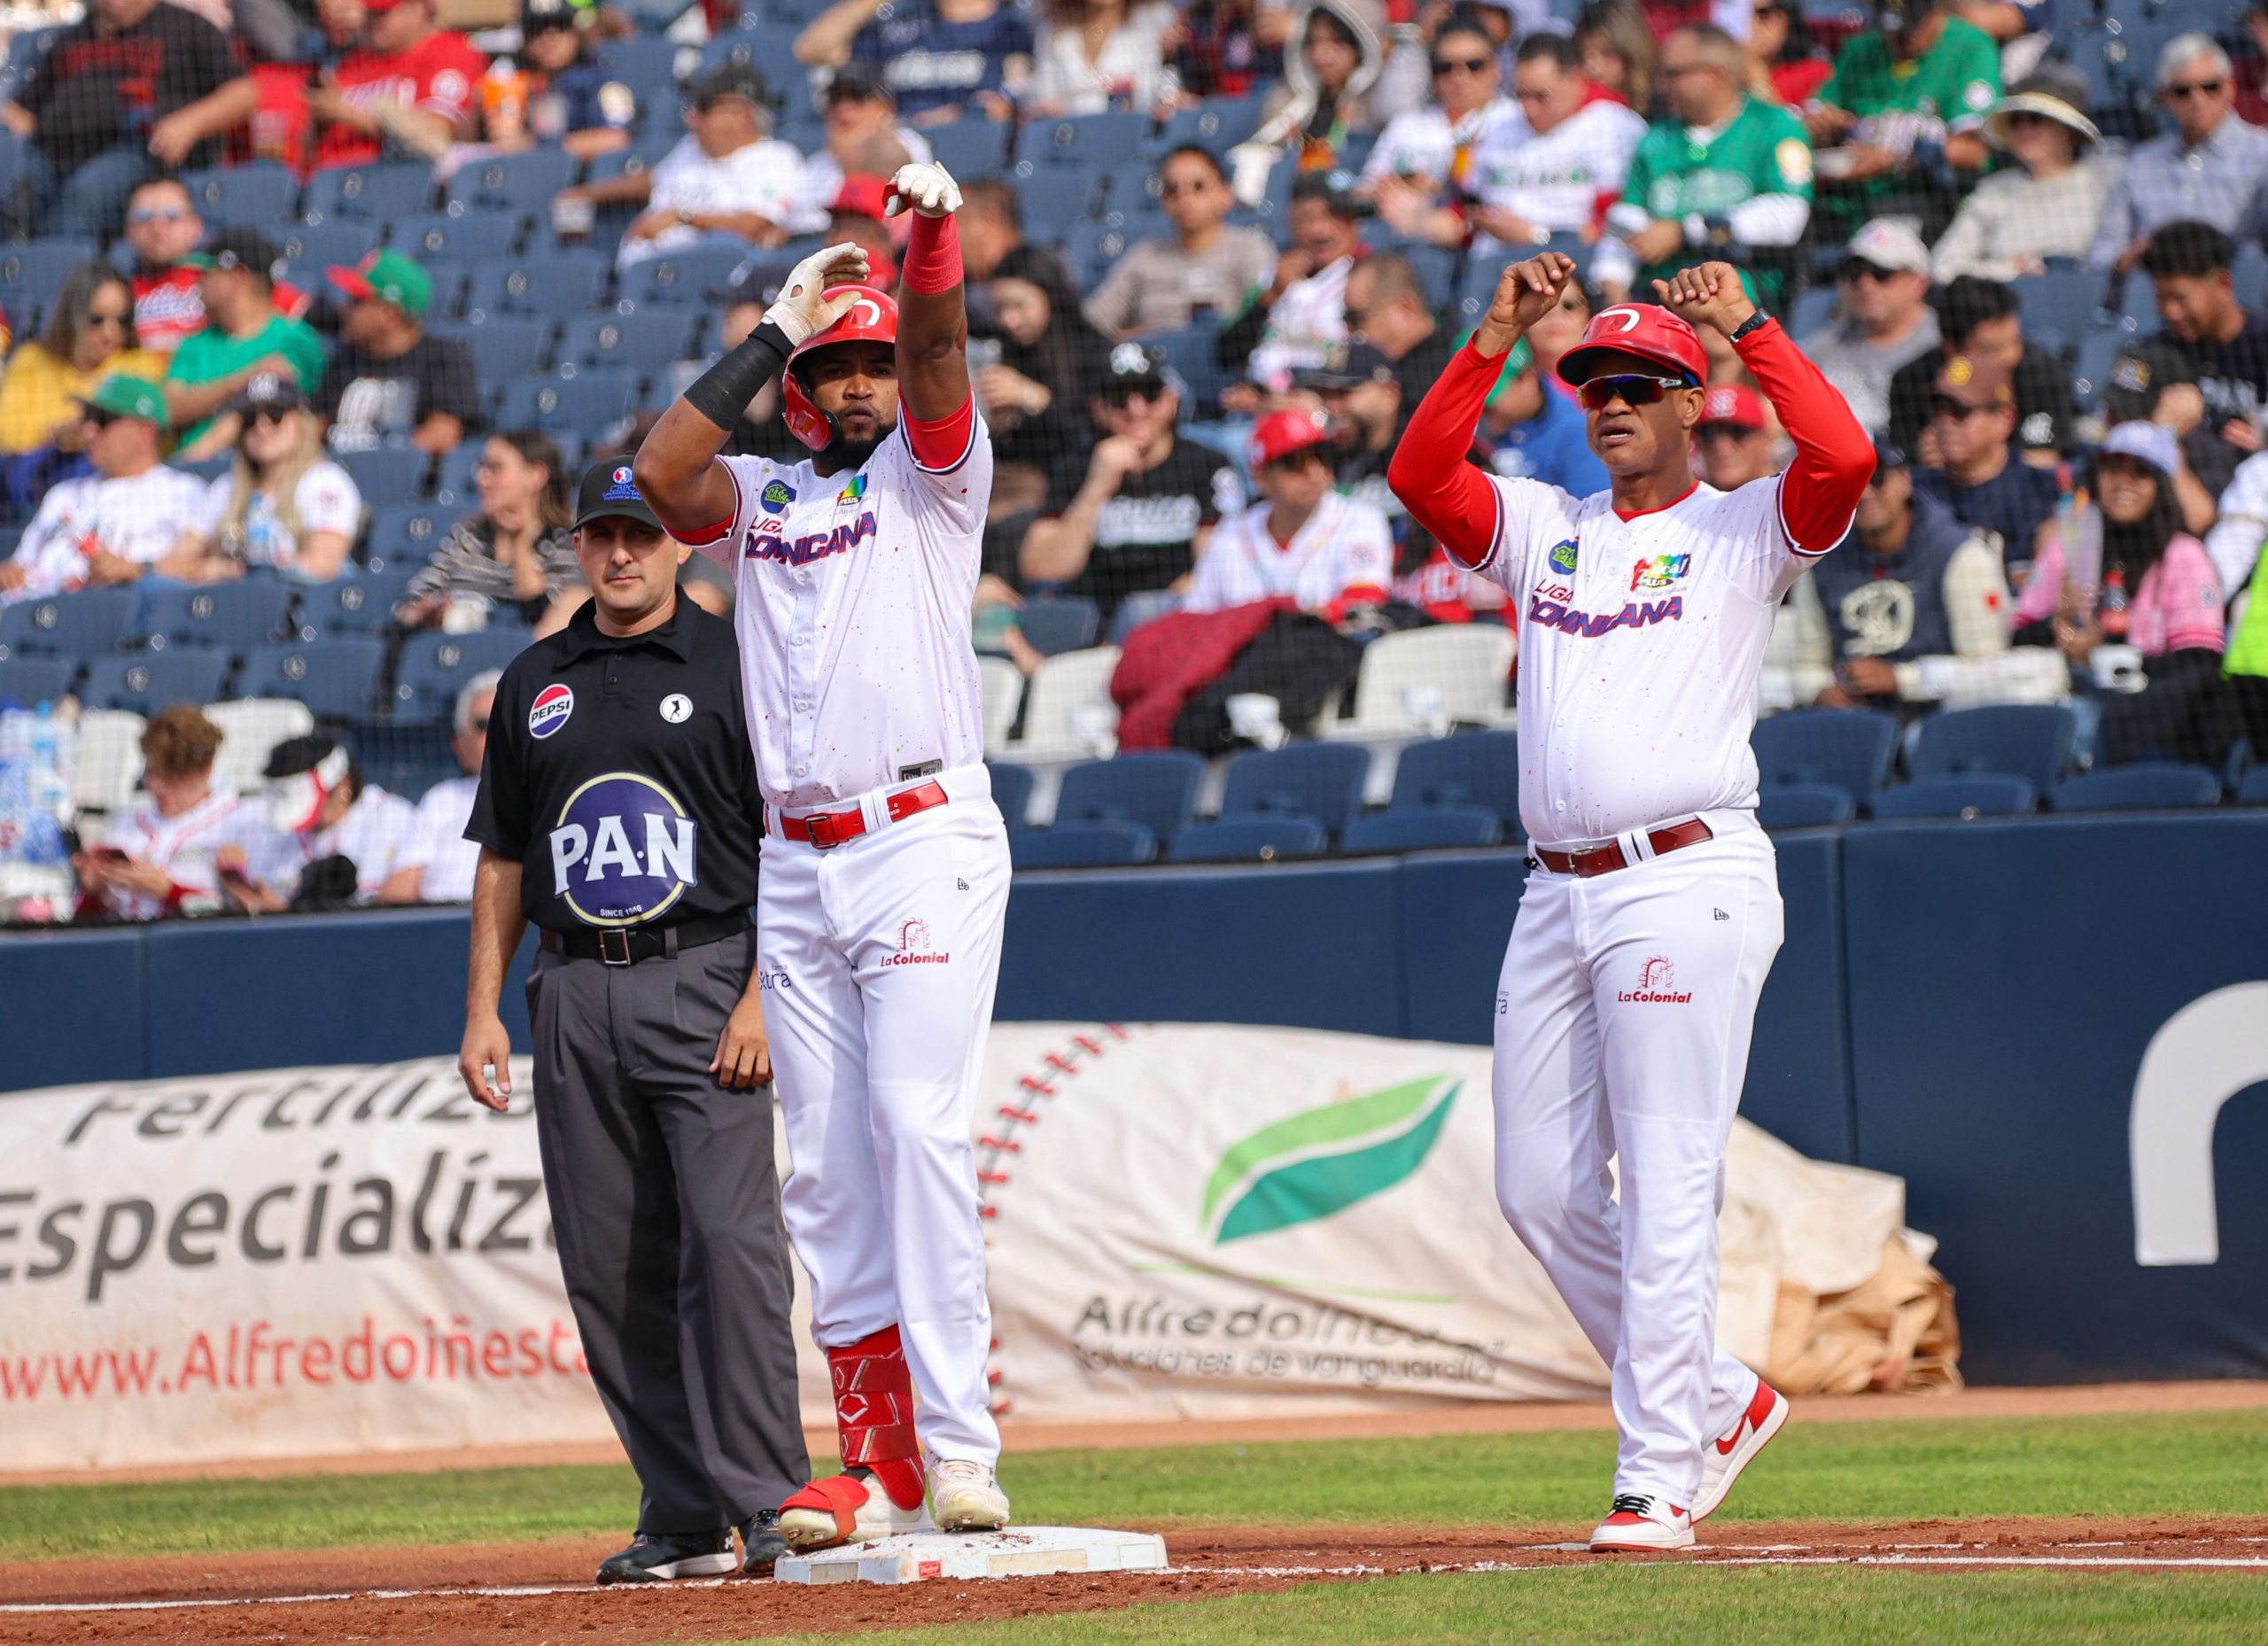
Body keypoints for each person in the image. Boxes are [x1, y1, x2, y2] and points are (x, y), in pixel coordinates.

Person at [1390, 253, 1870, 1555]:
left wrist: (1750, 328)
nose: (1610, 402)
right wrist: (1493, 333)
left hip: (1685, 872)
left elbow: (1843, 457)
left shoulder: (1741, 526)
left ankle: (1657, 1470)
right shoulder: (1547, 524)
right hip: (1556, 889)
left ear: (1688, 404)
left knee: (1667, 1181)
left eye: (1640, 384)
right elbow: (1422, 476)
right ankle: (1713, 1397)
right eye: (1595, 383)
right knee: (1538, 1187)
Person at [634, 168, 1017, 1544]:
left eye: (870, 366)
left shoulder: (932, 476)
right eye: (834, 369)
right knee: (824, 1174)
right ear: (802, 388)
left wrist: (931, 246)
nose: (859, 385)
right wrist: (775, 327)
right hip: (797, 859)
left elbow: (942, 355)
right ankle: (879, 1462)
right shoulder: (761, 496)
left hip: (919, 833)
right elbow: (657, 475)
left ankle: (961, 1446)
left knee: (917, 1128)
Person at [456, 459, 808, 1584]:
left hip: (704, 975)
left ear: (681, 542)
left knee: (731, 1246)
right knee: (607, 1262)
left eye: (642, 534)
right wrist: (483, 1009)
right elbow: (503, 857)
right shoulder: (535, 679)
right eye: (603, 535)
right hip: (570, 987)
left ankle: (770, 1498)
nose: (621, 553)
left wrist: (761, 993)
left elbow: (788, 843)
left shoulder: (736, 660)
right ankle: (684, 1508)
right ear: (577, 544)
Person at [2016, 422, 2234, 766]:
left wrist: (2104, 657)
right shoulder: (2070, 545)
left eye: (2140, 472)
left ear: (2161, 485)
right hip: (2064, 700)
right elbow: (2017, 633)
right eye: (2114, 469)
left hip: (2149, 720)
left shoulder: (2183, 555)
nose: (2123, 482)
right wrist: (2057, 625)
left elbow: (2199, 664)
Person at [1800, 435, 2054, 711]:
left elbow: (1988, 669)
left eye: (1876, 478)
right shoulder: (1819, 560)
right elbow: (1805, 666)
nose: (1864, 493)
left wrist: (1902, 680)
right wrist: (1820, 689)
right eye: (1850, 482)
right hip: (1852, 718)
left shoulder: (1961, 553)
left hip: (1941, 715)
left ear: (1904, 480)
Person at [1020, 342, 1242, 618]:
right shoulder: (1075, 469)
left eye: (1149, 394)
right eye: (1120, 397)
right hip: (1101, 624)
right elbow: (1042, 568)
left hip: (1182, 615)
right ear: (1098, 409)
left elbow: (1222, 565)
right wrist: (1096, 487)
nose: (1136, 410)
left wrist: (1190, 591)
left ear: (1170, 401)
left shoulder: (1207, 465)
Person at [1, 0, 255, 240]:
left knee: (82, 199)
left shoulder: (186, 27)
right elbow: (20, 110)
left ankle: (61, 268)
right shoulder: (72, 37)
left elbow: (244, 94)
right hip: (51, 153)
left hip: (139, 151)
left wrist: (190, 123)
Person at [1599, 25, 1812, 308]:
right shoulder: (1655, 139)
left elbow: (1788, 216)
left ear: (1714, 75)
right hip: (1659, 294)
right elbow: (1626, 218)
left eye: (1673, 74)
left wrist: (1685, 232)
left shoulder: (1775, 125)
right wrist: (1611, 279)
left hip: (1744, 291)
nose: (1661, 85)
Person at [561, 63, 807, 271]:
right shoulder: (691, 147)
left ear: (743, 114)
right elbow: (654, 179)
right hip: (642, 278)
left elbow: (754, 225)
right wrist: (587, 193)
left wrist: (682, 216)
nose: (691, 118)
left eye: (704, 107)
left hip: (705, 279)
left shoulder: (775, 158)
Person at [0, 378, 210, 603]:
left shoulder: (182, 490)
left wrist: (137, 569)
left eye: (102, 420)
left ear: (146, 432)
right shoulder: (61, 494)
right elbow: (19, 565)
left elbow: (198, 566)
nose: (89, 431)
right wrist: (9, 574)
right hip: (35, 610)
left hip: (118, 611)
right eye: (87, 418)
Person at [74, 705, 280, 922]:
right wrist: (93, 892)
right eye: (153, 773)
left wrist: (169, 891)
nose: (159, 786)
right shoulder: (126, 824)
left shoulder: (245, 820)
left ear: (206, 770)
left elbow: (266, 914)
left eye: (173, 777)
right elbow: (84, 920)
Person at [2087, 35, 2268, 276]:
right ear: (2165, 98)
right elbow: (2100, 255)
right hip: (2153, 289)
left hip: (2235, 288)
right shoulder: (2142, 163)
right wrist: (2127, 258)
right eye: (2183, 91)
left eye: (2210, 87)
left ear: (2230, 88)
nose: (2197, 99)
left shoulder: (2262, 155)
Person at [1184, 408, 1392, 615]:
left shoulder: (1359, 519)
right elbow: (1196, 615)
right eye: (1296, 462)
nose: (1314, 472)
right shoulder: (1231, 534)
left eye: (1321, 457)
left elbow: (1365, 603)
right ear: (1261, 476)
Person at [1806, 0, 1997, 214]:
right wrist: (1823, 125)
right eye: (1892, 28)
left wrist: (1895, 160)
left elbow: (1976, 151)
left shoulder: (1970, 48)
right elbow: (1812, 118)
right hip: (1853, 205)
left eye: (1910, 26)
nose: (1900, 37)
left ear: (1936, 11)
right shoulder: (1862, 48)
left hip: (1933, 207)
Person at [1464, 35, 1648, 257]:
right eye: (1521, 95)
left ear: (1575, 78)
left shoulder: (1613, 124)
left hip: (1575, 263)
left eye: (1541, 96)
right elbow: (1468, 201)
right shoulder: (1500, 124)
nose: (1529, 108)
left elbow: (1623, 223)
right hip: (1490, 259)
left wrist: (1536, 236)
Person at [1931, 66, 2117, 284]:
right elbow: (1943, 265)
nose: (2024, 129)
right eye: (2016, 121)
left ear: (2068, 130)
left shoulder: (2107, 177)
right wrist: (2007, 270)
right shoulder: (1994, 192)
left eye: (2036, 118)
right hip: (2012, 302)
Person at [179, 374, 363, 582]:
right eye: (250, 418)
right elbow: (171, 565)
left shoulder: (325, 480)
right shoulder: (226, 487)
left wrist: (236, 572)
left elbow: (323, 565)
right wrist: (207, 569)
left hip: (299, 599)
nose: (262, 425)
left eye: (276, 414)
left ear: (301, 421)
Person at [164, 229, 330, 456]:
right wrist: (244, 381)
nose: (198, 284)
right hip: (192, 470)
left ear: (237, 277)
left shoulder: (295, 340)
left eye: (206, 274)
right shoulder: (194, 344)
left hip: (263, 466)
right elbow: (169, 410)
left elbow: (298, 416)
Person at [1082, 145, 1276, 338]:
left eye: (1198, 187)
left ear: (1225, 195)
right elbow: (1092, 325)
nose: (1184, 198)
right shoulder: (1144, 256)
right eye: (1172, 189)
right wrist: (1138, 338)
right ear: (1163, 201)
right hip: (1150, 356)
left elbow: (1270, 319)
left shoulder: (1249, 250)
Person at [400, 431, 586, 631]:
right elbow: (412, 601)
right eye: (481, 467)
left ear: (536, 475)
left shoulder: (566, 541)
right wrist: (426, 612)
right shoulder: (468, 535)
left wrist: (519, 544)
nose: (481, 479)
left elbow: (548, 618)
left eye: (495, 468)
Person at [1363, 15, 1525, 243]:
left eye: (1474, 65)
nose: (1459, 77)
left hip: (1484, 240)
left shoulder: (1516, 119)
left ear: (1496, 68)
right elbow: (1365, 190)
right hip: (1401, 236)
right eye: (1445, 68)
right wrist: (1403, 185)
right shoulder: (1406, 126)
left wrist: (1437, 192)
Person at [2136, 221, 2268, 492]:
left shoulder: (2261, 341)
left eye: (2179, 298)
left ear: (2222, 284)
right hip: (2177, 490)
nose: (2170, 312)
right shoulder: (2154, 351)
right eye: (2161, 298)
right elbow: (2117, 428)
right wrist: (2160, 429)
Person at [1886, 275, 2072, 467]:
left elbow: (2047, 460)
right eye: (1991, 349)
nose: (2011, 355)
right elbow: (1900, 462)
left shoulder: (2043, 374)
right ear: (1951, 349)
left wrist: (1979, 454)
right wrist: (1926, 460)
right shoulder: (1911, 383)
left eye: (2015, 340)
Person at [980, 244, 1110, 512]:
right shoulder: (1008, 349)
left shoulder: (1092, 349)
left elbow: (1095, 433)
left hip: (1074, 481)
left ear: (1050, 296)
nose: (1009, 319)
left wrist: (1032, 397)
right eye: (1000, 308)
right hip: (1018, 477)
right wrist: (1002, 425)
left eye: (1018, 305)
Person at [319, 250, 481, 457]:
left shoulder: (443, 359)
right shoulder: (344, 360)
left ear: (390, 316)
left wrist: (383, 463)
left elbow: (442, 434)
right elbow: (316, 427)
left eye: (356, 301)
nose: (343, 308)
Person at [1913, 353, 2059, 577]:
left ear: (2004, 419)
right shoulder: (1917, 494)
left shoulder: (2043, 492)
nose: (1945, 422)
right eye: (1938, 409)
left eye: (1959, 410)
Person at [0, 263, 167, 457]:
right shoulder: (32, 359)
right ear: (71, 317)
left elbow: (155, 437)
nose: (109, 332)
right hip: (44, 468)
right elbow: (6, 433)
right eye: (96, 320)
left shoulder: (140, 365)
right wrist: (55, 436)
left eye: (121, 320)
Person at [232, 735, 419, 907]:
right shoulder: (282, 835)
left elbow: (373, 914)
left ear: (343, 787)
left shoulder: (389, 818)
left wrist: (279, 914)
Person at [1229, 0, 1386, 200]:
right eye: (1313, 42)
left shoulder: (1377, 105)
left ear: (1360, 45)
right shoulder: (1288, 99)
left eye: (1336, 43)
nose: (1321, 56)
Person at [1225, 174, 1366, 396]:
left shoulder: (1370, 276)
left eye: (1334, 216)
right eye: (1307, 218)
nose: (1320, 231)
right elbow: (1226, 354)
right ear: (1290, 223)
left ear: (1354, 223)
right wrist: (1271, 296)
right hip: (1260, 401)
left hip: (1329, 399)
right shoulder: (1273, 275)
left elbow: (1372, 360)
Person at [307, 0, 486, 172]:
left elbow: (437, 135)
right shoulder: (353, 62)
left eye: (383, 12)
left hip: (402, 181)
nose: (375, 20)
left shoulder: (448, 51)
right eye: (370, 12)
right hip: (331, 180)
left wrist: (348, 114)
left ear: (422, 7)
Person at [1799, 219, 1940, 434]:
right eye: (1855, 273)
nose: (1865, 285)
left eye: (1881, 273)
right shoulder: (1823, 346)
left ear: (1918, 283)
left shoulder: (1940, 344)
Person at [795, 0, 1034, 125]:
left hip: (970, 150)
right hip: (898, 149)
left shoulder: (1012, 28)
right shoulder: (901, 23)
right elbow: (812, 49)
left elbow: (1003, 107)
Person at [386, 670, 497, 905]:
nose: (499, 731)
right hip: (439, 922)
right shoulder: (442, 800)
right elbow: (398, 892)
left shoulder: (550, 793)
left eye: (508, 719)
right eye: (484, 724)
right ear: (460, 744)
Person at [788, 67, 935, 237]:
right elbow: (794, 221)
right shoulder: (818, 161)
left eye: (857, 96)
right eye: (835, 99)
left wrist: (852, 152)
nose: (843, 108)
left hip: (879, 240)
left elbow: (914, 207)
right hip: (817, 242)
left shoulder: (908, 142)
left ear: (885, 106)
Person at [1476, 337, 1612, 495]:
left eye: (1490, 402)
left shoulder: (1575, 434)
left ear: (1528, 379)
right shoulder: (1478, 433)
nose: (1481, 410)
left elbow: (1590, 507)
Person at [510, 0, 637, 162]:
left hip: (588, 174)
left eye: (561, 26)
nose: (549, 39)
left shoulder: (600, 79)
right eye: (538, 29)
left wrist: (539, 147)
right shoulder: (512, 81)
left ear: (575, 33)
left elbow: (617, 139)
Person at [1341, 252, 1458, 420]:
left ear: (1405, 309)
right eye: (1345, 319)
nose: (1350, 331)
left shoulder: (1454, 364)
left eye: (1356, 318)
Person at [1029, 0, 1178, 117]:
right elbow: (1044, 98)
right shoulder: (1054, 33)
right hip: (1071, 138)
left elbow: (1158, 91)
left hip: (1133, 134)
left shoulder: (1153, 19)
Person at [123, 179, 211, 358]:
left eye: (171, 216)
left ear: (195, 226)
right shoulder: (116, 295)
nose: (157, 228)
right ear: (128, 230)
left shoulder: (223, 282)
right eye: (144, 217)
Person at [1574, 0, 1657, 113]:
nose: (1592, 66)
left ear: (1631, 52)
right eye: (1584, 54)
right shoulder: (1577, 111)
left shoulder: (1664, 104)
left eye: (1607, 53)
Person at [1693, 384, 1778, 492]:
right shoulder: (1686, 500)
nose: (1721, 447)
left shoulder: (1789, 495)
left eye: (1737, 431)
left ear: (1765, 439)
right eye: (1707, 433)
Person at [1747, 0, 1829, 109]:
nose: (1752, 24)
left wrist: (1752, 63)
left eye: (1764, 13)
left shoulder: (1815, 73)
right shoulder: (1727, 78)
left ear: (1786, 19)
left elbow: (1777, 118)